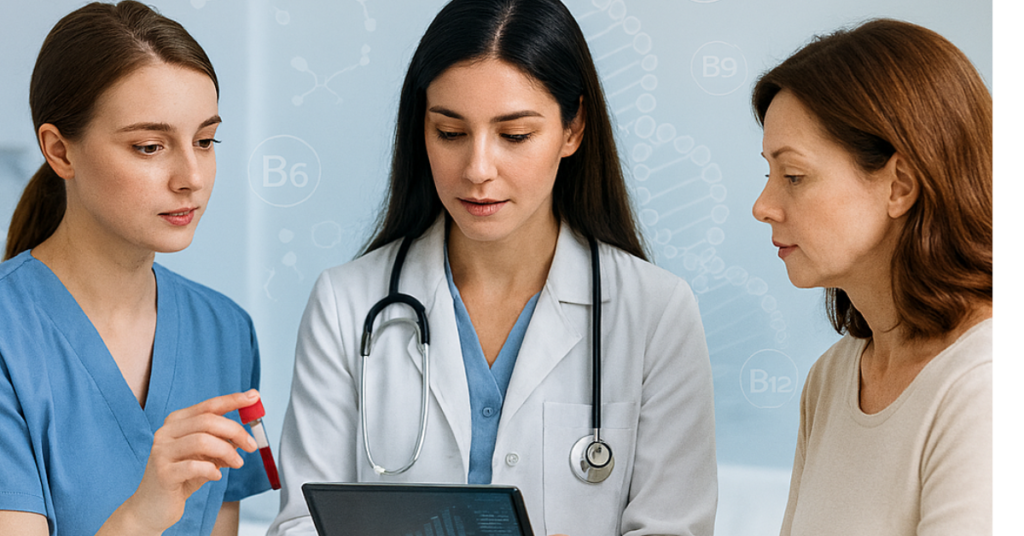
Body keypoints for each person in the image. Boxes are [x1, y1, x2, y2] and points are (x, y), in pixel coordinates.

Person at [268, 0, 717, 534]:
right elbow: (303, 522)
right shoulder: (347, 303)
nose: (478, 170)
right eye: (451, 133)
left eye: (515, 135)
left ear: (573, 130)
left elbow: (671, 527)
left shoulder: (655, 312)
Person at [0, 2, 272, 535]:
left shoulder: (227, 332)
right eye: (150, 147)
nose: (191, 176)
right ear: (60, 151)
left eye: (205, 140)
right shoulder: (11, 335)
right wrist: (144, 512)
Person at [750, 19, 992, 535]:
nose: (763, 206)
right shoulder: (832, 379)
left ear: (899, 186)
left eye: (793, 176)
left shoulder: (986, 383)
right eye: (767, 174)